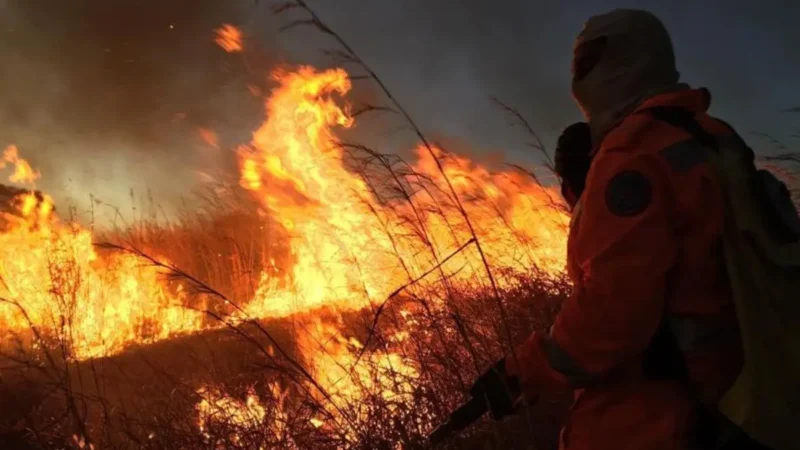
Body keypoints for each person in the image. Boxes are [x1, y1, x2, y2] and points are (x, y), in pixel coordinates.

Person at [471, 9, 763, 450]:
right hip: (730, 401)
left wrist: (520, 372)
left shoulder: (631, 154)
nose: (580, 75)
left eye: (590, 60)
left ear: (630, 58)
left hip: (653, 420)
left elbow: (612, 311)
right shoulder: (711, 138)